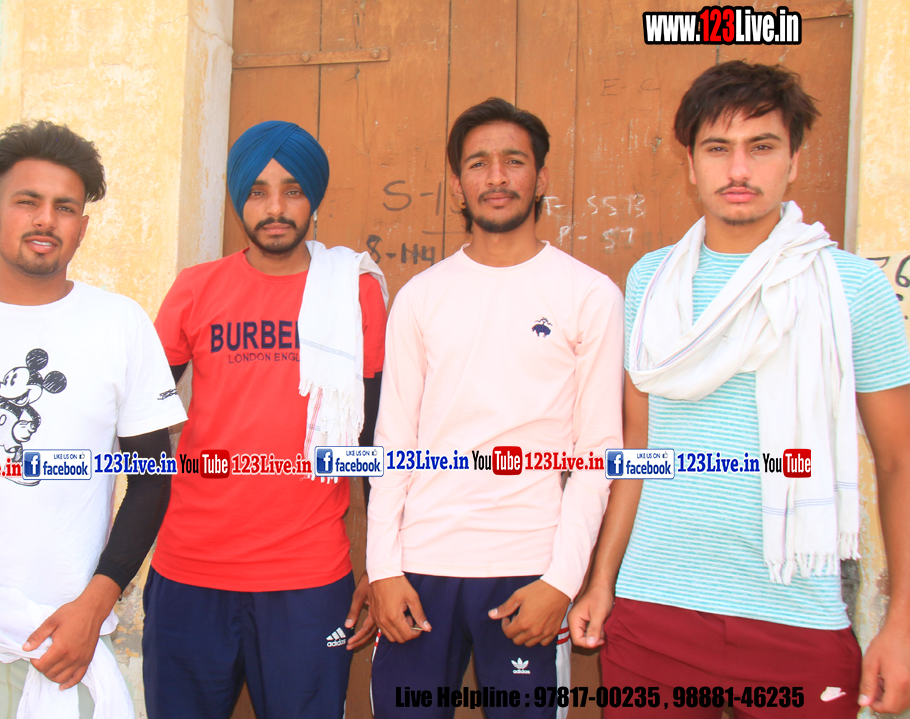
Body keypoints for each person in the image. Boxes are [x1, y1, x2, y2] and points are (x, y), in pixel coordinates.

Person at [568, 61, 910, 718]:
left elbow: (899, 460)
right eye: (718, 148)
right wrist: (602, 581)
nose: (739, 169)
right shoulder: (651, 283)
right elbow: (639, 449)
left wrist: (902, 623)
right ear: (691, 165)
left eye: (762, 146)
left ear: (794, 161)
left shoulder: (850, 288)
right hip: (655, 610)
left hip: (797, 617)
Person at [0, 120, 186, 719]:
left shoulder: (120, 324)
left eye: (64, 207)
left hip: (68, 637)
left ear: (81, 227)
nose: (44, 220)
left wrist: (94, 605)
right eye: (26, 201)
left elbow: (153, 480)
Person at [367, 98, 623, 718]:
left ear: (541, 177)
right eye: (478, 163)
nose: (497, 176)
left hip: (530, 571)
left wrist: (562, 581)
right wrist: (382, 569)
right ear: (457, 184)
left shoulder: (589, 295)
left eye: (514, 160)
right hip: (419, 571)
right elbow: (392, 442)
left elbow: (598, 456)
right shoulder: (421, 297)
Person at [145, 120, 388, 719]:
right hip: (190, 569)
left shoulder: (353, 292)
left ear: (313, 198)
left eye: (292, 190)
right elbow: (141, 420)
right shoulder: (196, 289)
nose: (275, 208)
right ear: (238, 200)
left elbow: (376, 438)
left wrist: (384, 563)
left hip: (308, 575)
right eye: (257, 191)